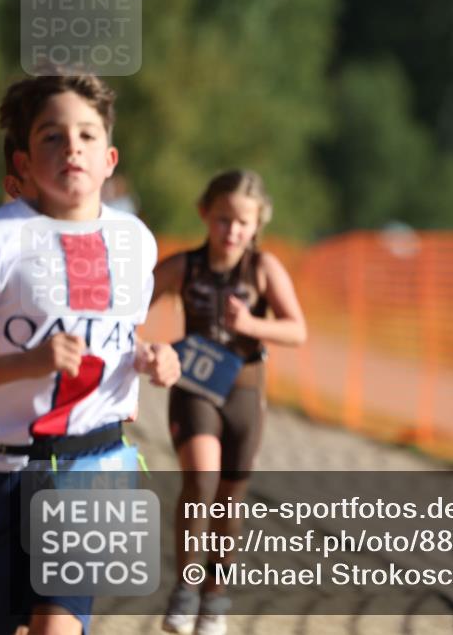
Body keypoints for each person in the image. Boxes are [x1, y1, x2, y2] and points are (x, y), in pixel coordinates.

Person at [0, 71, 181, 635]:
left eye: (87, 135)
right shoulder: (0, 241)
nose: (71, 147)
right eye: (52, 136)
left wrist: (154, 359)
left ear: (109, 159)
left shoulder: (135, 241)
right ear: (24, 162)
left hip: (91, 466)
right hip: (2, 467)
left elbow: (116, 337)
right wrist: (29, 363)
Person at [151, 169, 307, 635]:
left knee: (228, 501)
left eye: (243, 223)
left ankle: (214, 597)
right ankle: (185, 588)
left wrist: (252, 325)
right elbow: (127, 307)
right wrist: (143, 351)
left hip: (245, 393)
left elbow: (297, 329)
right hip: (194, 389)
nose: (232, 231)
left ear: (258, 223)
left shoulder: (262, 269)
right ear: (205, 213)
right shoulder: (184, 266)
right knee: (201, 479)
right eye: (223, 219)